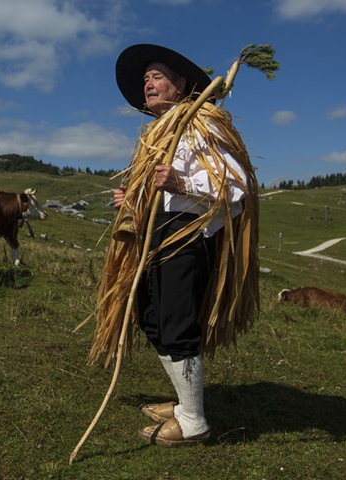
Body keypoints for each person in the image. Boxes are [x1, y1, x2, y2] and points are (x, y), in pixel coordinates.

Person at [98, 44, 259, 447]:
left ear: (182, 84)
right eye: (145, 79)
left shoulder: (202, 123)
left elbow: (236, 185)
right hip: (154, 234)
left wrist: (182, 184)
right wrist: (130, 198)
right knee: (149, 315)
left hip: (186, 233)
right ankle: (186, 402)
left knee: (176, 322)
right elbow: (153, 188)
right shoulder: (157, 132)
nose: (147, 83)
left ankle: (194, 422)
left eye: (157, 76)